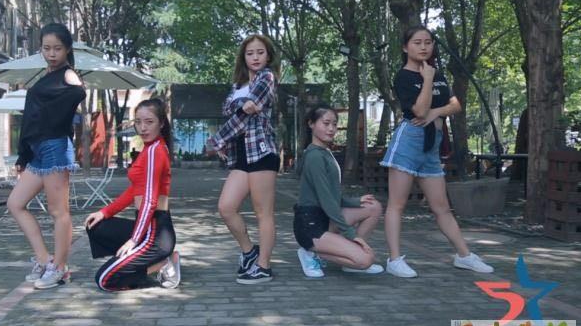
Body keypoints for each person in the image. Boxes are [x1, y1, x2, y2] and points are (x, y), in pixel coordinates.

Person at [380, 25, 494, 278]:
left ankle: (464, 255)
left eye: (428, 42)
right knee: (397, 204)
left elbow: (455, 105)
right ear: (405, 47)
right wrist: (428, 80)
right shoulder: (404, 77)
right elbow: (419, 112)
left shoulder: (438, 73)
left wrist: (436, 112)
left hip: (432, 144)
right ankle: (394, 259)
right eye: (417, 42)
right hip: (410, 141)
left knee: (441, 206)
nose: (423, 47)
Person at [7, 23, 85, 290]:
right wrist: (24, 154)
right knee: (15, 203)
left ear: (67, 49)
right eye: (47, 48)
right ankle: (44, 259)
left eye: (57, 49)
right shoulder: (47, 76)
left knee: (58, 211)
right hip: (38, 150)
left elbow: (78, 92)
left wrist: (54, 118)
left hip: (54, 147)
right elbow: (31, 119)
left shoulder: (67, 74)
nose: (51, 54)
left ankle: (60, 269)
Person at [84, 98, 181, 291]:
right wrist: (104, 212)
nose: (143, 128)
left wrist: (134, 239)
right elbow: (134, 191)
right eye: (138, 122)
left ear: (161, 123)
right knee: (95, 226)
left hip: (155, 235)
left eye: (149, 122)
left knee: (104, 280)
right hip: (147, 229)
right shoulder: (149, 149)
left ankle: (161, 264)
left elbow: (150, 201)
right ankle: (141, 260)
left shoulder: (155, 151)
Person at [206, 34, 279, 284]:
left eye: (260, 52)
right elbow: (228, 108)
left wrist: (217, 141)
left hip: (262, 152)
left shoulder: (267, 77)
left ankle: (264, 266)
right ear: (243, 57)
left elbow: (242, 117)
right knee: (226, 207)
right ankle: (250, 252)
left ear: (268, 56)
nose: (255, 57)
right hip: (242, 155)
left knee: (263, 212)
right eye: (250, 53)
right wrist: (242, 102)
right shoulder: (238, 85)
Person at [294, 105, 384, 278]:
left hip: (326, 218)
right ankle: (310, 252)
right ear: (311, 124)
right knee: (366, 259)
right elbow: (327, 200)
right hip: (311, 226)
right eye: (326, 123)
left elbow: (332, 196)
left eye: (334, 124)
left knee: (373, 207)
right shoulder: (314, 156)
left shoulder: (324, 152)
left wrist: (356, 202)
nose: (331, 128)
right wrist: (351, 235)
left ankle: (349, 259)